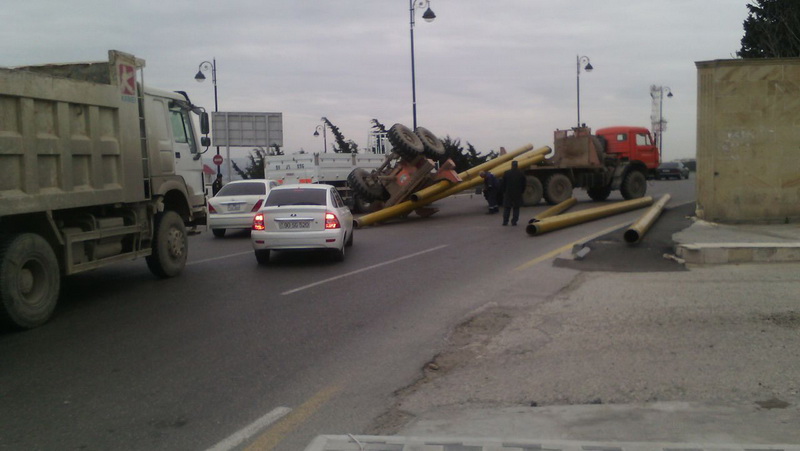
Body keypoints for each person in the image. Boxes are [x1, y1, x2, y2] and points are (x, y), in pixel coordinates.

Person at [500, 160, 526, 226]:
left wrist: (504, 191)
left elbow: (503, 183)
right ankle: (514, 221)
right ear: (517, 165)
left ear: (511, 165)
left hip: (508, 193)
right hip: (517, 193)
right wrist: (522, 191)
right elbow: (524, 184)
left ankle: (505, 222)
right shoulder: (521, 173)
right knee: (516, 208)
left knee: (507, 208)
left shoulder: (507, 173)